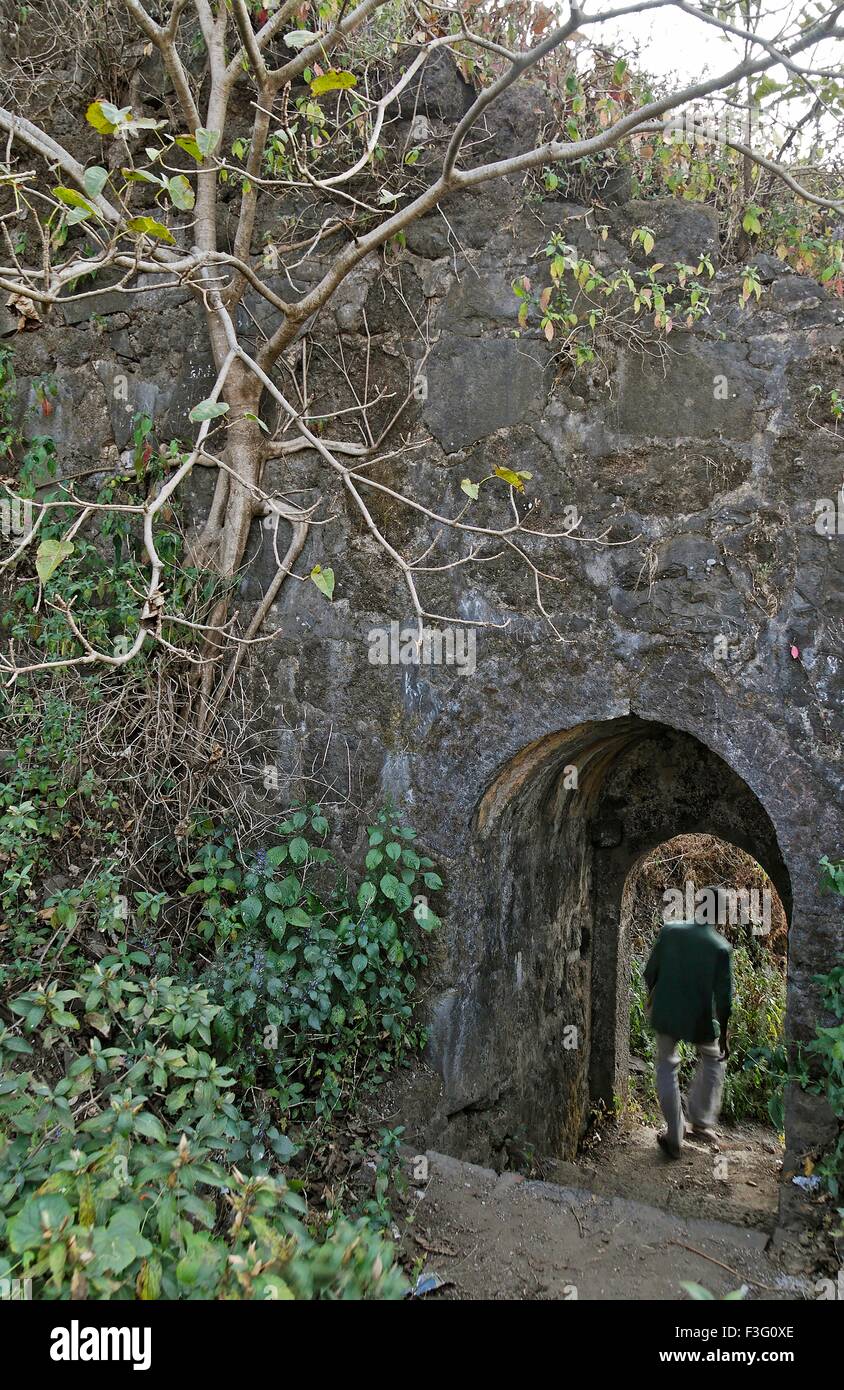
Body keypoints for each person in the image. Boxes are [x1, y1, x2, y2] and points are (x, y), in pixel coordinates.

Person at [643, 885, 733, 1159]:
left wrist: (650, 998)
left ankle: (674, 1135)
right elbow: (724, 1000)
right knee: (713, 1058)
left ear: (696, 905)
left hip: (667, 1013)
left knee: (667, 1066)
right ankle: (701, 1122)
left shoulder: (670, 931)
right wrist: (725, 1033)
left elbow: (650, 971)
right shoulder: (720, 948)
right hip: (700, 1020)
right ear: (721, 914)